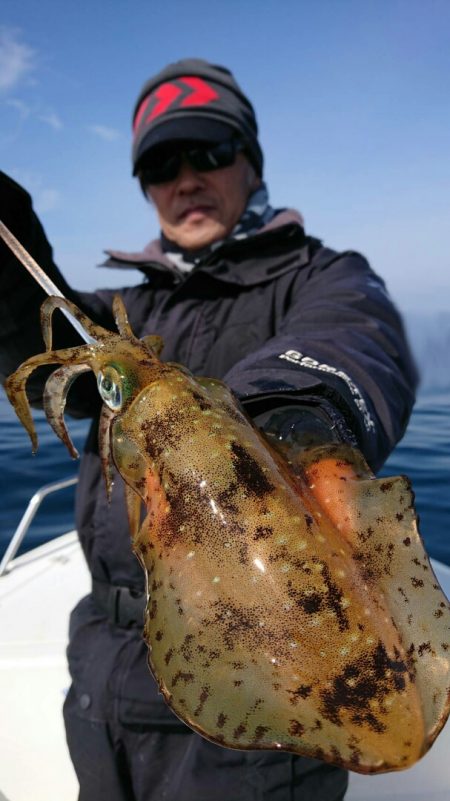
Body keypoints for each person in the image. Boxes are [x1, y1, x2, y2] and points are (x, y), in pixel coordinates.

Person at [0, 58, 417, 801]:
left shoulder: (324, 278)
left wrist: (279, 421)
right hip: (101, 677)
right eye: (162, 162)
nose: (185, 176)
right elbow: (39, 353)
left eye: (209, 150)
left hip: (264, 697)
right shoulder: (123, 310)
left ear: (251, 162)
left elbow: (355, 344)